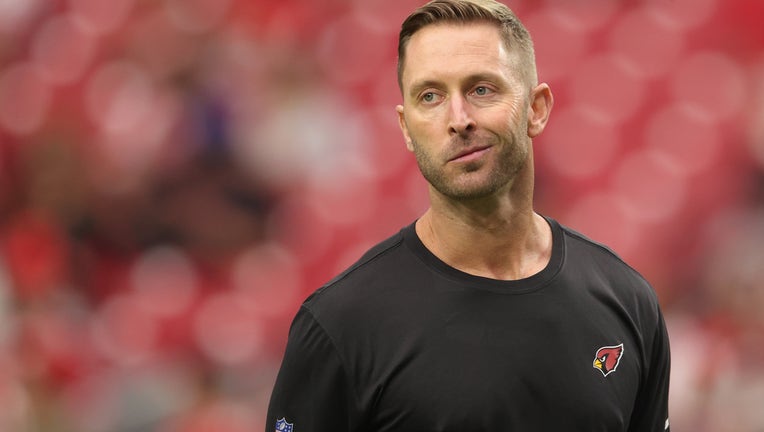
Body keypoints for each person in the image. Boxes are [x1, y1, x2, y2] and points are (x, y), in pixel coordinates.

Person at [266, 0, 671, 431]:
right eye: (430, 97)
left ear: (537, 108)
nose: (458, 119)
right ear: (405, 128)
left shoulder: (627, 302)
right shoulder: (341, 326)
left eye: (481, 89)